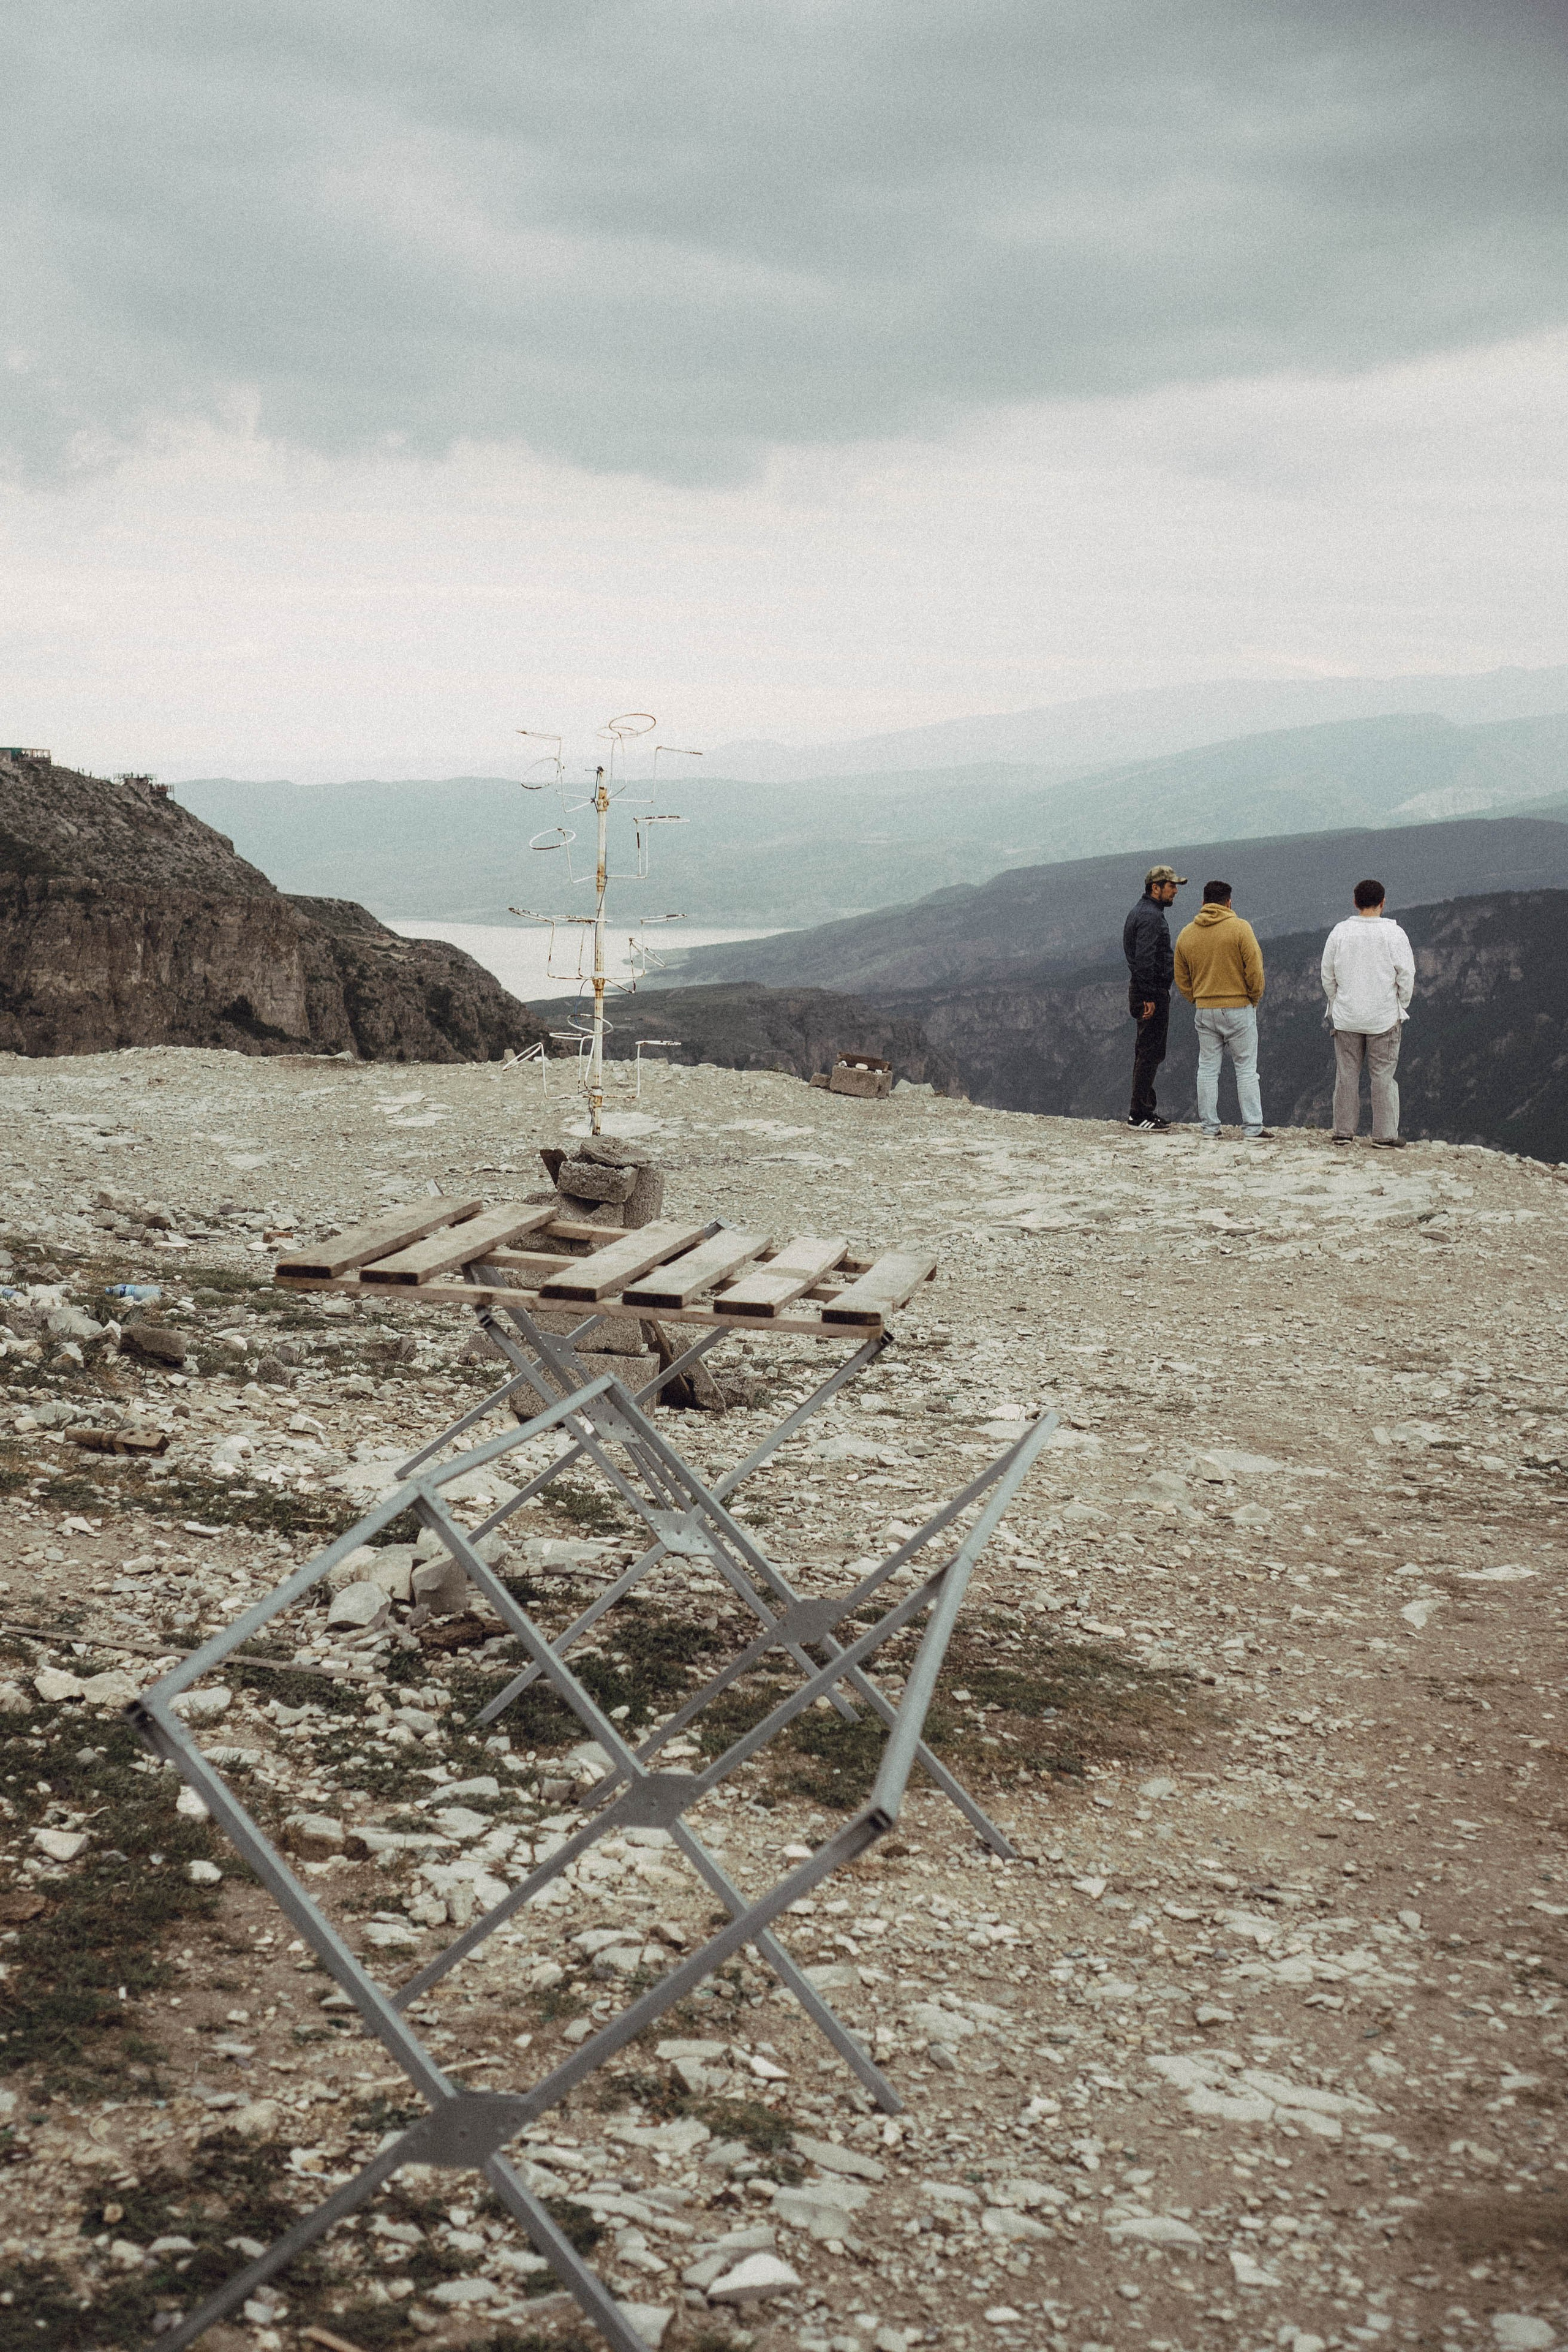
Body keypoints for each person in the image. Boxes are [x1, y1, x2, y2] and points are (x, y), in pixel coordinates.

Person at [1320, 878, 1415, 1148]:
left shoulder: (1339, 933)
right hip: (1383, 1017)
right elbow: (1407, 975)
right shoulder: (1394, 934)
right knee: (1383, 1076)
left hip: (1347, 1017)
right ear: (1383, 903)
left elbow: (1327, 974)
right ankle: (1384, 1135)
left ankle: (1343, 1132)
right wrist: (1401, 1005)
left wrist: (1337, 1002)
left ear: (1355, 902)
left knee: (1347, 1074)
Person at [1173, 879, 1270, 1140]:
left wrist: (1196, 998)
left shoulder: (1186, 933)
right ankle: (1252, 1128)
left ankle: (1209, 1128)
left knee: (1207, 1069)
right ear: (1229, 902)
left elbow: (1181, 976)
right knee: (1246, 1070)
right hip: (1239, 1007)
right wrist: (1253, 999)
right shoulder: (1240, 929)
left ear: (1203, 903)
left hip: (1205, 1009)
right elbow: (1255, 971)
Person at [1121, 863, 1186, 1130]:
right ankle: (1139, 1115)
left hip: (1147, 990)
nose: (1175, 892)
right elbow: (1144, 959)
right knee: (1150, 1052)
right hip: (1151, 993)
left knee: (1149, 1051)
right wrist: (1149, 996)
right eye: (1171, 886)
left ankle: (1145, 1109)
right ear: (1155, 887)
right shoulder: (1150, 917)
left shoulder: (1145, 912)